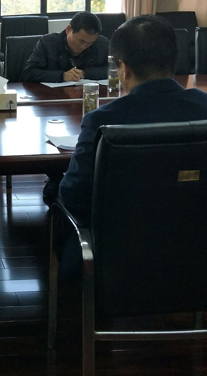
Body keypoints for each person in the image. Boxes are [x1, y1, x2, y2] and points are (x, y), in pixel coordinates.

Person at [57, 16, 207, 273]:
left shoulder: (102, 121)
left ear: (123, 69)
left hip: (119, 256)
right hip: (196, 249)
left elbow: (73, 197)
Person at [22, 11, 109, 83]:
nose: (83, 47)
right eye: (81, 41)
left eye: (90, 43)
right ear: (68, 30)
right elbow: (29, 73)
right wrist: (62, 76)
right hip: (53, 95)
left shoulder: (102, 44)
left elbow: (113, 70)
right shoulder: (47, 43)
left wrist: (85, 73)